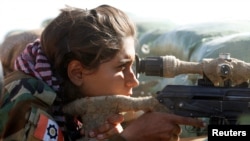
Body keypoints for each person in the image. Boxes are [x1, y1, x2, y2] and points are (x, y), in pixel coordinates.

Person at [0, 4, 204, 141]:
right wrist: (129, 137)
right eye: (121, 67)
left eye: (132, 66)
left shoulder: (64, 94)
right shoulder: (26, 98)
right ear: (77, 73)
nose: (133, 81)